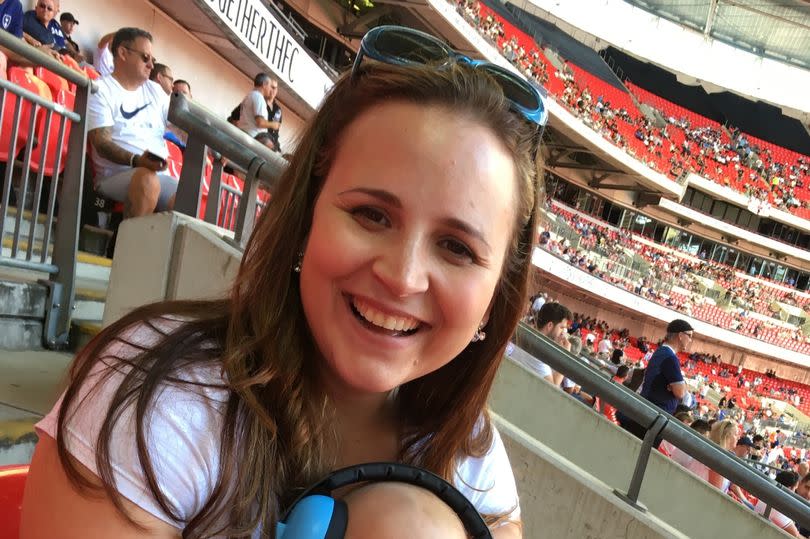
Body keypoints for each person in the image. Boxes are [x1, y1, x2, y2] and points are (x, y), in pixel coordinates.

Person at [20, 25, 546, 538]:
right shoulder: (155, 400)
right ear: (306, 214)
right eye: (371, 215)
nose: (403, 276)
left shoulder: (472, 453)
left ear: (498, 294)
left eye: (457, 248)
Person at [86, 27, 177, 219]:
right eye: (145, 57)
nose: (151, 65)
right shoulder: (101, 89)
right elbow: (101, 143)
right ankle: (126, 248)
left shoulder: (156, 91)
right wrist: (136, 161)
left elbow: (184, 123)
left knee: (185, 198)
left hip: (157, 174)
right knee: (147, 181)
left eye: (153, 60)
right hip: (114, 175)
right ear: (122, 53)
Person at [618, 319, 692, 441]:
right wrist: (679, 385)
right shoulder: (670, 357)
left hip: (647, 413)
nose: (690, 340)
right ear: (680, 335)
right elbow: (680, 393)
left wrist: (675, 386)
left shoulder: (662, 352)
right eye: (689, 336)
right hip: (652, 418)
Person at [530, 301, 572, 384]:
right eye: (561, 327)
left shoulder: (529, 337)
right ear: (549, 325)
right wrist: (565, 357)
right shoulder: (539, 352)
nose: (563, 333)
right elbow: (552, 389)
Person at [755, 471, 801, 537]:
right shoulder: (778, 507)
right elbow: (795, 535)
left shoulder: (768, 495)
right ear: (789, 488)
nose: (794, 493)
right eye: (794, 489)